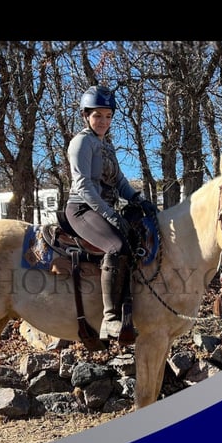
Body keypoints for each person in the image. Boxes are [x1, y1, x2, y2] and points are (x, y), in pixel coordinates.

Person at [65, 85, 158, 340]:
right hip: (82, 209)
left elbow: (119, 181)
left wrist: (139, 200)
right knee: (116, 247)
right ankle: (110, 318)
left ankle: (133, 305)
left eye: (108, 116)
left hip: (103, 209)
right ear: (86, 115)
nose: (103, 121)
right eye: (97, 115)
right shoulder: (81, 142)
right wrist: (109, 214)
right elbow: (83, 185)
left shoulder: (106, 146)